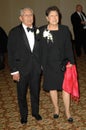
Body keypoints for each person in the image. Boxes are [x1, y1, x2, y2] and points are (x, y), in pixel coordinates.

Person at [38, 6, 75, 123]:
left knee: (66, 89)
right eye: (52, 16)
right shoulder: (42, 30)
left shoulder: (64, 29)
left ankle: (67, 111)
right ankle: (56, 109)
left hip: (63, 64)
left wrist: (71, 62)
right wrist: (40, 64)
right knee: (52, 88)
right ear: (47, 18)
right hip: (48, 65)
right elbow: (38, 49)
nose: (54, 18)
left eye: (56, 15)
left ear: (59, 17)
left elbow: (69, 47)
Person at [7, 7, 42, 124]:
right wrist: (14, 71)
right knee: (21, 94)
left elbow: (41, 51)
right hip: (21, 70)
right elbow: (10, 52)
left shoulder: (39, 31)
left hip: (36, 69)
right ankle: (24, 115)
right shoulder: (14, 32)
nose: (29, 17)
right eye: (26, 15)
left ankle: (35, 112)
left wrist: (42, 65)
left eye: (31, 15)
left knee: (35, 92)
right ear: (20, 18)